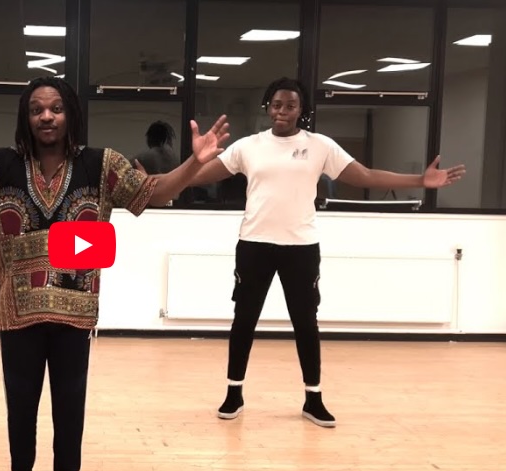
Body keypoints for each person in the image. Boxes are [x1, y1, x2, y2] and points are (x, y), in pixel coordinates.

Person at [0, 76, 230, 471]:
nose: (47, 116)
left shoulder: (101, 164)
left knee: (70, 409)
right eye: (36, 109)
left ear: (70, 114)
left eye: (56, 108)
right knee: (20, 408)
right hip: (18, 317)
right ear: (25, 118)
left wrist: (195, 162)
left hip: (75, 317)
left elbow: (153, 192)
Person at [186, 77, 466, 428]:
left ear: (301, 110)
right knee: (244, 320)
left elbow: (364, 176)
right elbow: (197, 177)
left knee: (306, 323)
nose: (282, 111)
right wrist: (157, 178)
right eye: (276, 104)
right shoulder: (249, 146)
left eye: (290, 105)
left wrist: (419, 181)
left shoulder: (319, 146)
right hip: (254, 244)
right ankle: (234, 392)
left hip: (301, 248)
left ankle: (313, 399)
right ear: (267, 107)